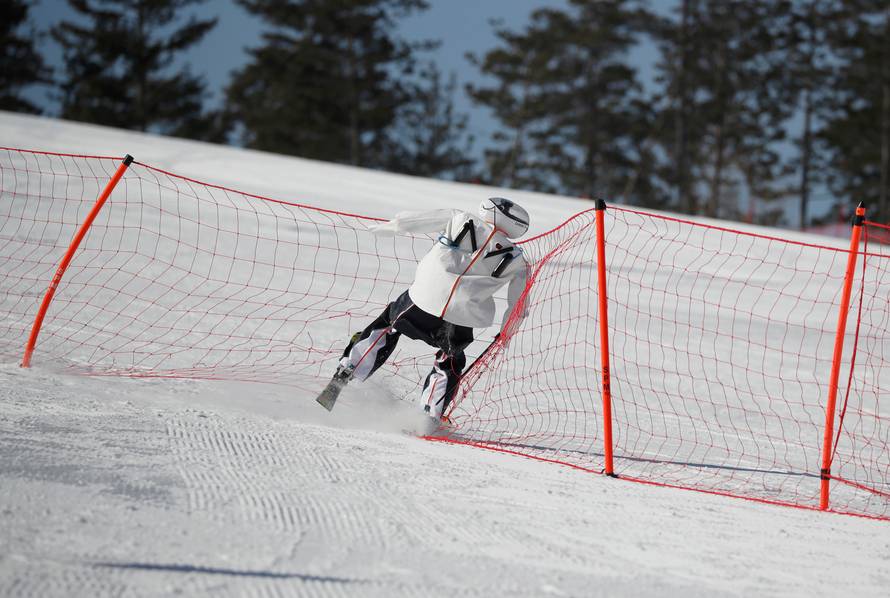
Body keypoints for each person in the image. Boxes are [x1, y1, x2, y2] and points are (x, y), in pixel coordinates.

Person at [316, 197, 531, 419]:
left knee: (387, 326)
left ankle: (348, 369)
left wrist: (393, 226)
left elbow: (419, 220)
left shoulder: (460, 218)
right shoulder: (518, 260)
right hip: (462, 316)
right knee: (451, 359)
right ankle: (429, 415)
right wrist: (507, 332)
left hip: (423, 298)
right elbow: (519, 304)